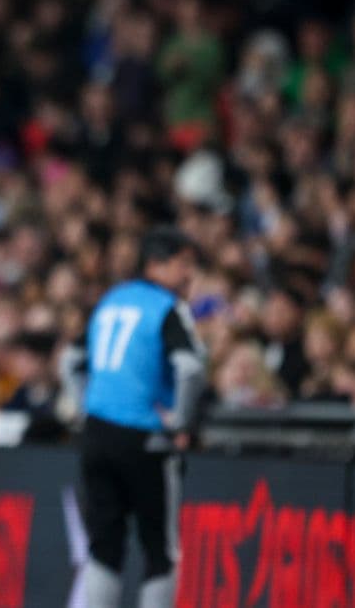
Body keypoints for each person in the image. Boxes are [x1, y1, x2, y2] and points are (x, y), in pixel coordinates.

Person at [68, 227, 207, 607]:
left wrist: (89, 406)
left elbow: (71, 360)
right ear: (155, 265)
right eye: (183, 265)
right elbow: (190, 367)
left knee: (103, 549)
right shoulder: (167, 307)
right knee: (160, 552)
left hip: (97, 434)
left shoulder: (111, 299)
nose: (188, 276)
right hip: (146, 438)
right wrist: (180, 420)